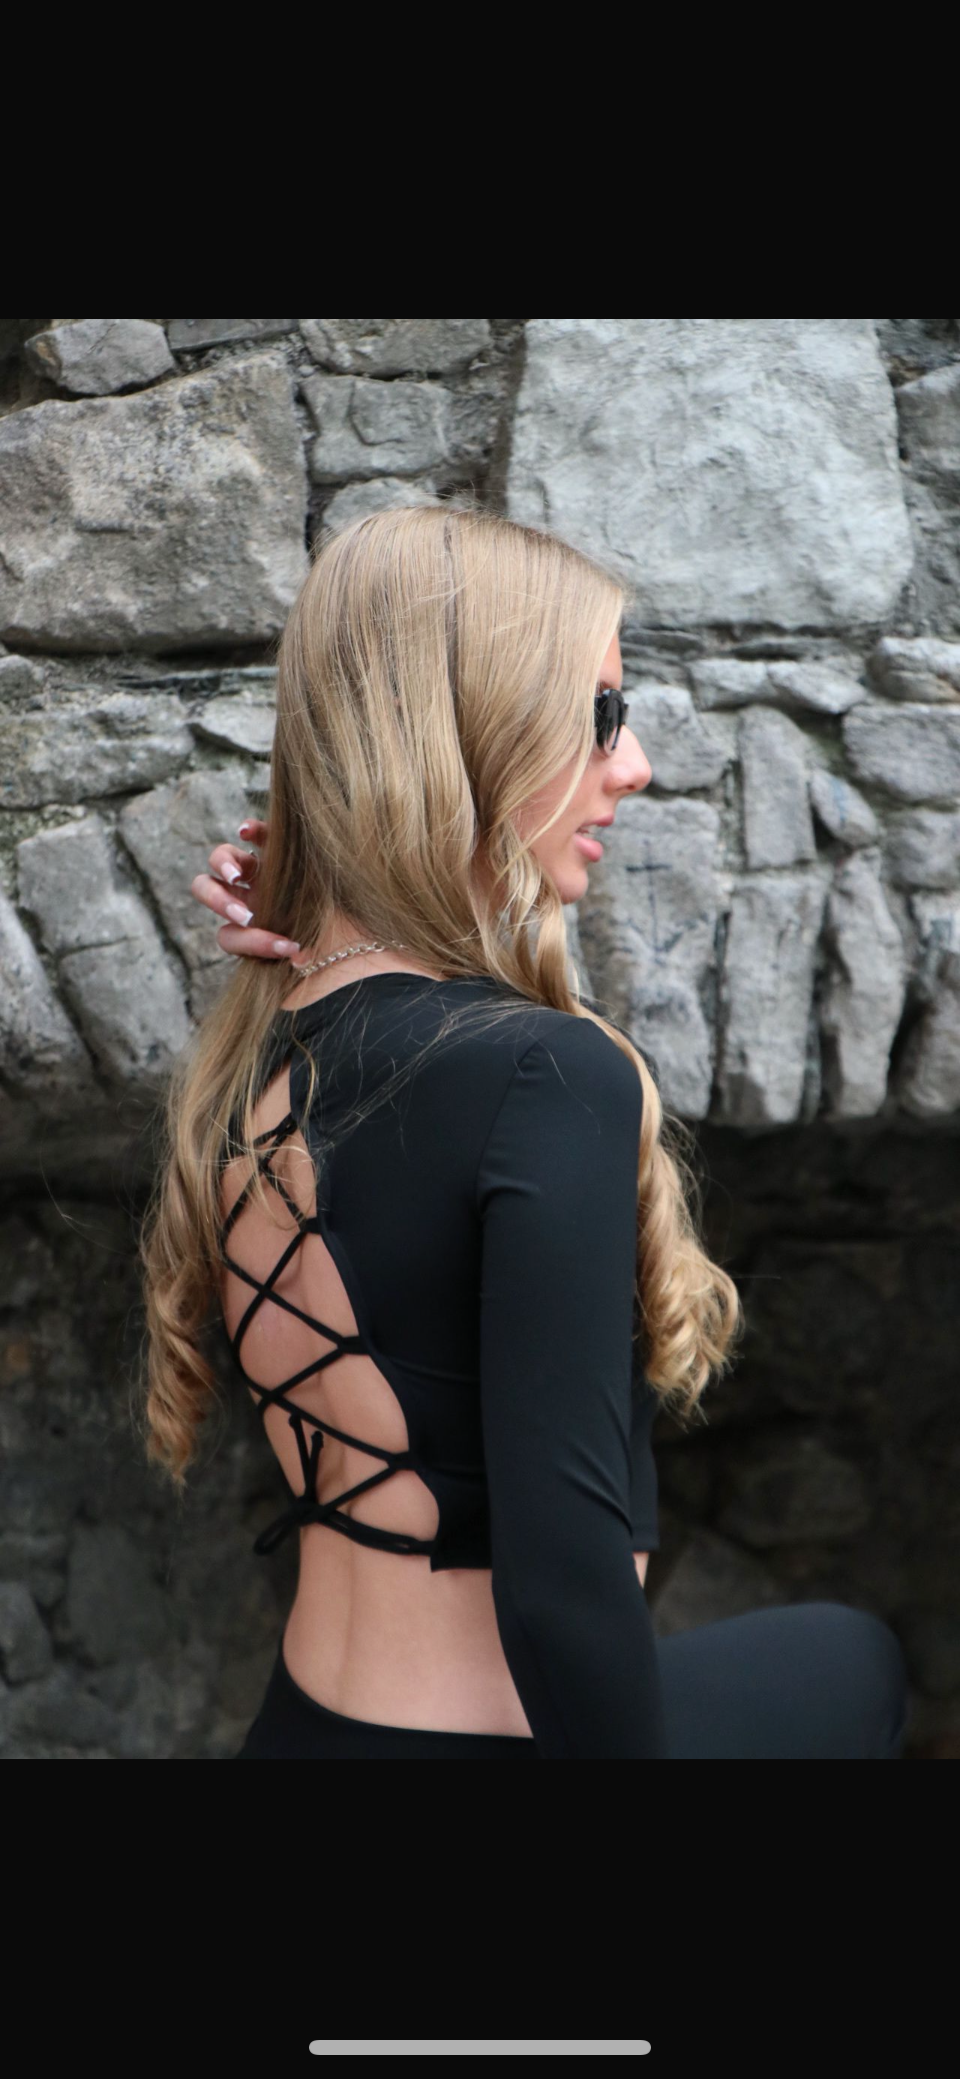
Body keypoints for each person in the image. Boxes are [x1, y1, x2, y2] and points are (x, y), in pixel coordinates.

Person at [139, 502, 909, 1758]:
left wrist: (324, 891)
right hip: (509, 1740)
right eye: (600, 713)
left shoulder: (260, 1055)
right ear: (474, 731)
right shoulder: (541, 1074)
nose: (634, 762)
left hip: (305, 1729)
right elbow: (562, 1593)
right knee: (854, 1659)